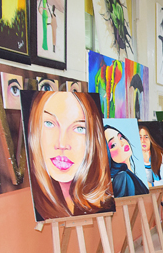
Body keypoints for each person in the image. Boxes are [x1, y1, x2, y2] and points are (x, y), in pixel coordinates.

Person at [26, 92, 114, 220]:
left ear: (95, 139)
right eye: (49, 123)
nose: (62, 144)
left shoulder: (102, 201)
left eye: (79, 128)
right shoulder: (34, 203)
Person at [104, 125, 149, 197]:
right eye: (113, 145)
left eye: (121, 137)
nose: (122, 143)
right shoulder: (122, 177)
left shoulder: (129, 175)